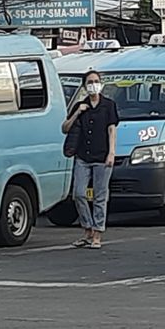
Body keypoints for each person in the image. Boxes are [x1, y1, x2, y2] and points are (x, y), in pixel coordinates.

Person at [61, 70, 119, 249]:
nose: (93, 85)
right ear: (85, 86)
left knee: (100, 196)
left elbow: (112, 130)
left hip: (102, 156)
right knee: (79, 193)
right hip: (83, 156)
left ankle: (97, 233)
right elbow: (65, 128)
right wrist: (78, 112)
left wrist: (111, 153)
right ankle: (87, 228)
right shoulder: (80, 105)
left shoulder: (108, 105)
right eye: (89, 82)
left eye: (96, 81)